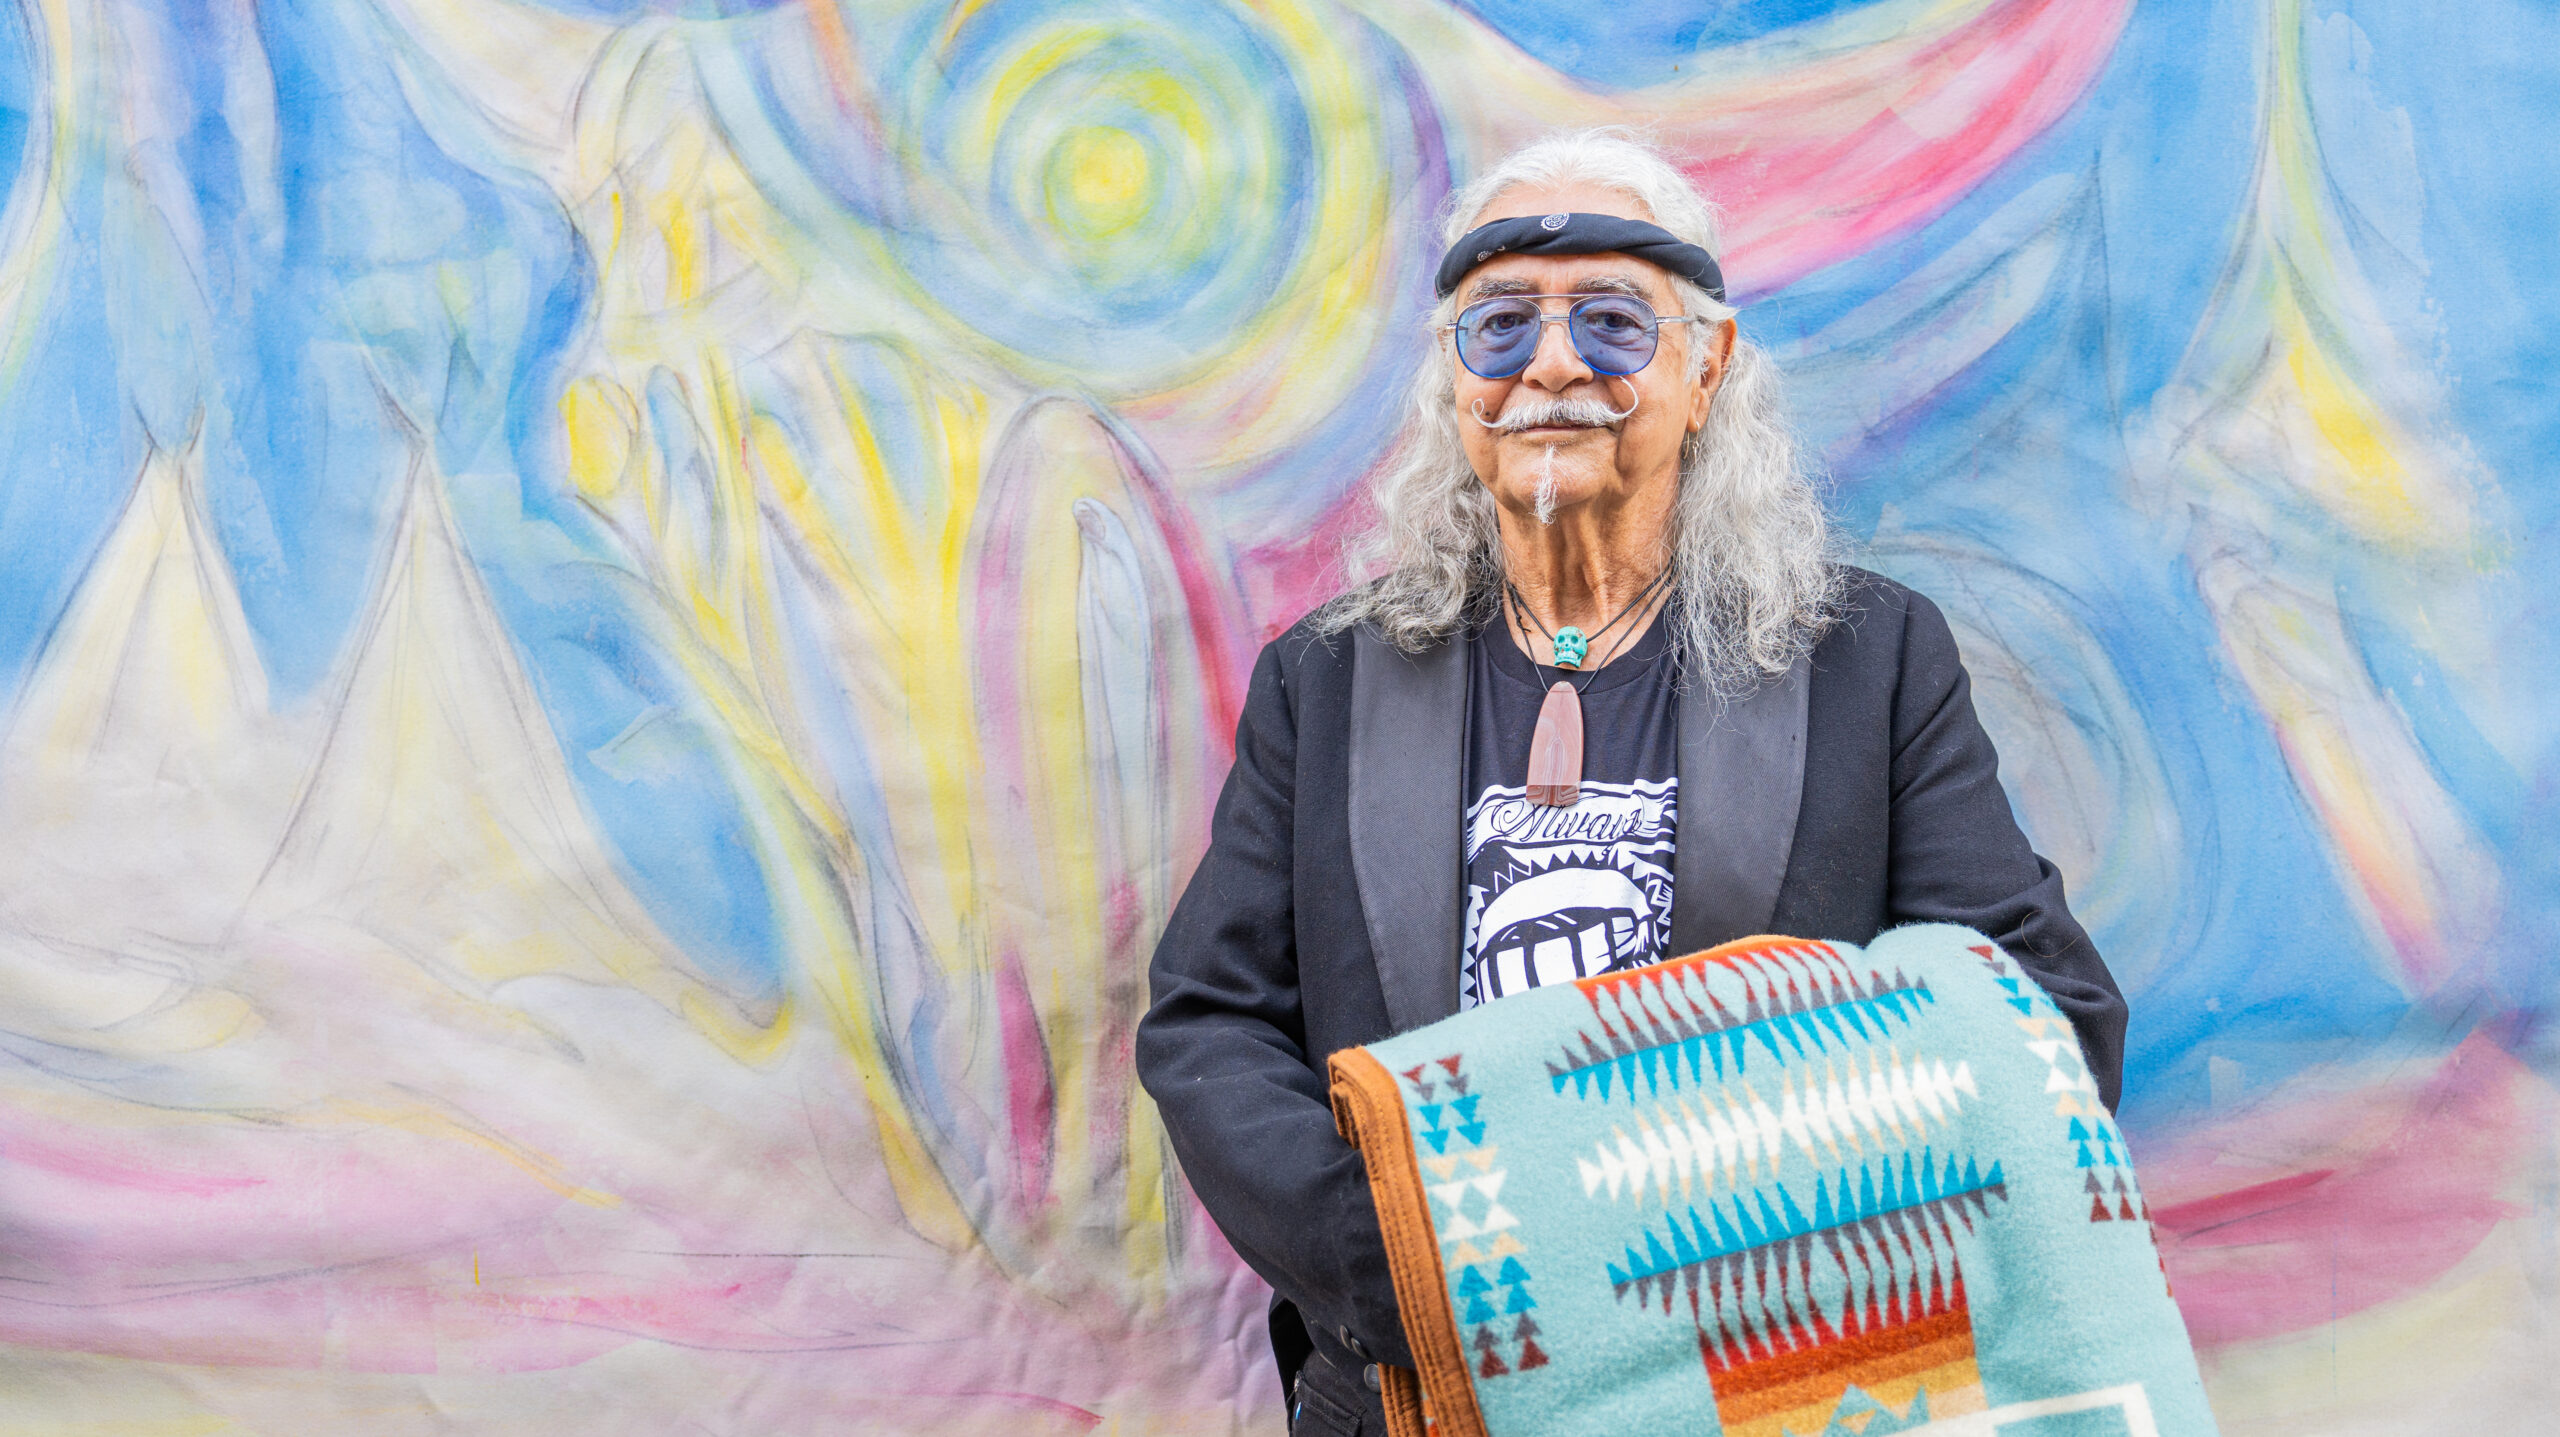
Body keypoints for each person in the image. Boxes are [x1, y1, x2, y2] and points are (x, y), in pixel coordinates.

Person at [1134, 128, 2127, 1436]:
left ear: (1706, 366)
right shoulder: (1324, 687)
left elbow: (2040, 1014)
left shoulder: (1867, 663)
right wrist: (1417, 1269)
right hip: (1421, 1388)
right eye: (1498, 328)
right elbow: (1208, 1021)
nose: (1551, 365)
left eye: (1611, 322)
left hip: (1767, 1386)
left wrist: (1748, 1238)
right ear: (1454, 381)